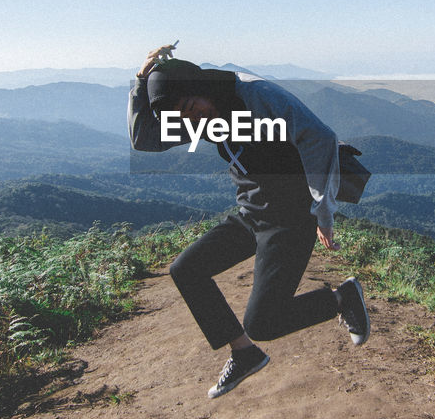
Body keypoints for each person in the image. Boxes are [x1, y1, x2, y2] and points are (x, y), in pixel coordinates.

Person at [127, 46, 370, 398]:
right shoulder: (196, 112)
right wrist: (139, 82)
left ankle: (342, 298)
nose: (193, 121)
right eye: (184, 116)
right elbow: (144, 138)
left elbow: (320, 138)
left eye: (193, 109)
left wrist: (323, 210)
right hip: (251, 212)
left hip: (290, 217)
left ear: (203, 87)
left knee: (264, 322)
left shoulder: (256, 96)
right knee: (186, 269)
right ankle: (244, 352)